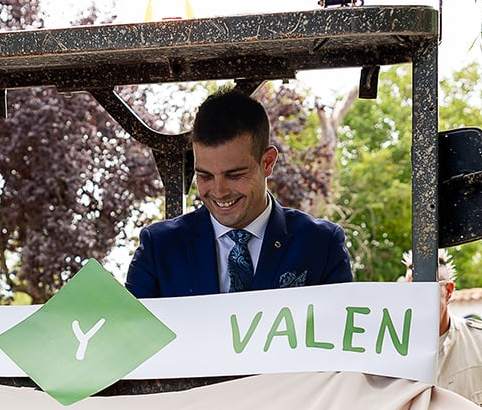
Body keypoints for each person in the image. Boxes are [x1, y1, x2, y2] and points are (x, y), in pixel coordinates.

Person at [124, 89, 353, 297]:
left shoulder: (321, 244)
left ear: (268, 162)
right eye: (205, 176)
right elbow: (130, 329)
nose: (219, 191)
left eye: (234, 175)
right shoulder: (158, 248)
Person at [404, 250, 482, 410]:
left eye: (426, 291)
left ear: (448, 291)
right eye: (409, 291)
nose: (417, 300)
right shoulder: (390, 353)